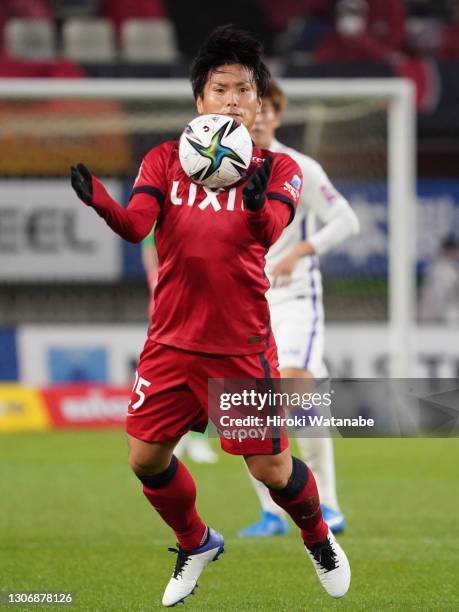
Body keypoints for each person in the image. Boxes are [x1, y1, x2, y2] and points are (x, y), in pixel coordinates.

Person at [70, 25, 351, 607]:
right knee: (145, 458)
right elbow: (135, 226)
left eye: (245, 90)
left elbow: (268, 231)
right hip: (172, 342)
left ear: (259, 102)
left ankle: (318, 536)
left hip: (239, 344)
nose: (233, 99)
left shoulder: (278, 169)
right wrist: (99, 197)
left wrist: (251, 204)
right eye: (221, 88)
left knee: (272, 469)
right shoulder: (164, 160)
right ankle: (195, 541)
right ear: (200, 100)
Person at [239, 81, 360, 538]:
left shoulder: (299, 168)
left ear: (277, 116)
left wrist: (300, 250)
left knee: (291, 392)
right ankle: (273, 513)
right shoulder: (223, 168)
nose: (264, 116)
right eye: (258, 107)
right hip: (246, 301)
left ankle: (325, 506)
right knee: (244, 405)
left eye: (271, 109)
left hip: (293, 300)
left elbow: (347, 219)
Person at [142, 228, 218, 464]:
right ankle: (175, 436)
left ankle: (198, 438)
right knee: (170, 375)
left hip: (201, 297)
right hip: (170, 298)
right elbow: (149, 246)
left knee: (203, 374)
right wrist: (155, 282)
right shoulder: (162, 205)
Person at [419, 235, 459, 324]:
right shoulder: (443, 270)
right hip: (438, 318)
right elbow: (440, 297)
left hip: (433, 317)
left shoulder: (438, 267)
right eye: (453, 250)